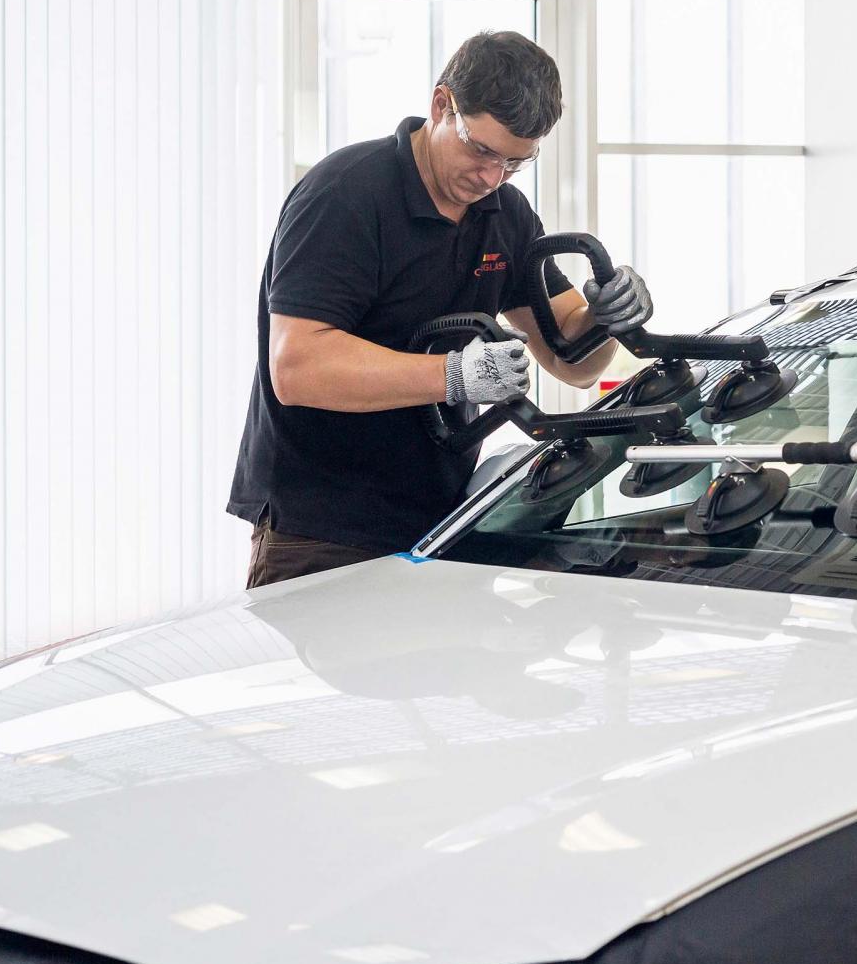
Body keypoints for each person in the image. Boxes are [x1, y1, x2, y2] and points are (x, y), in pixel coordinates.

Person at [227, 31, 651, 587]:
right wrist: (453, 375)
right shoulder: (346, 195)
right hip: (321, 526)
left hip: (442, 523)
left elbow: (572, 362)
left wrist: (607, 318)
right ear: (440, 105)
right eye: (481, 150)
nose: (491, 177)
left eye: (515, 163)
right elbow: (298, 368)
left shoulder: (504, 212)